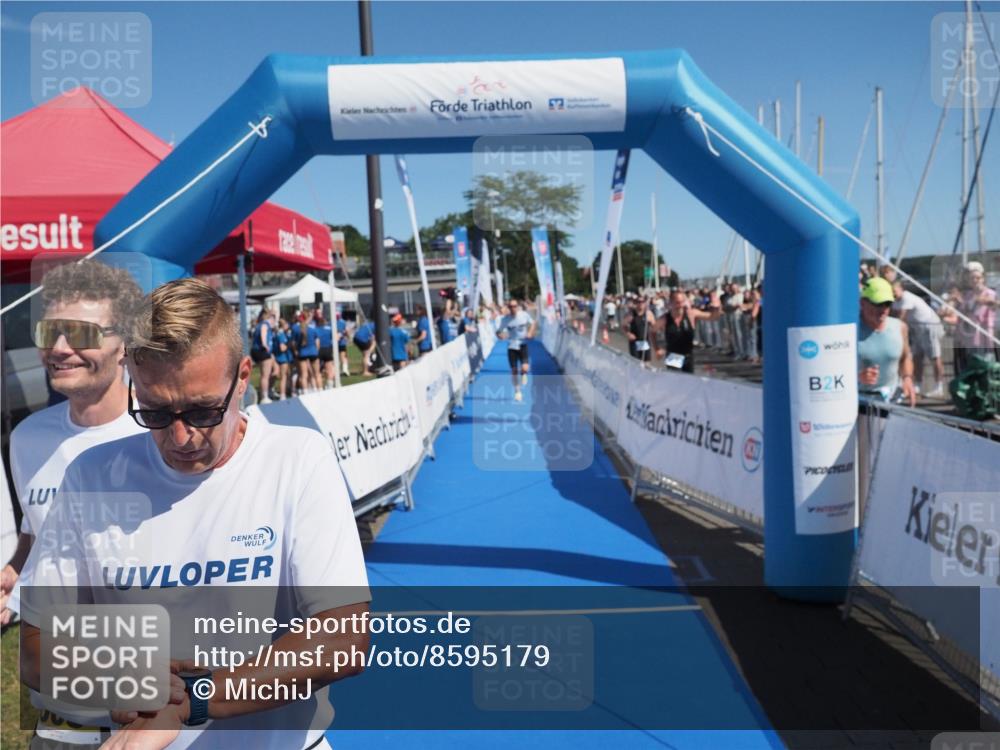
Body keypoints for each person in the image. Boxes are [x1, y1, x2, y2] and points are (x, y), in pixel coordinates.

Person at [17, 278, 370, 750]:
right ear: (133, 380)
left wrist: (192, 701)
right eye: (156, 412)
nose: (181, 437)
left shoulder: (297, 460)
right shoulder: (91, 475)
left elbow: (341, 639)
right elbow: (36, 651)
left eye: (203, 411)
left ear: (243, 377)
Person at [1, 260, 146, 743]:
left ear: (124, 341)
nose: (60, 349)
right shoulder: (27, 438)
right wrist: (15, 571)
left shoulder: (164, 433)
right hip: (62, 710)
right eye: (50, 331)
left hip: (154, 701)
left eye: (81, 333)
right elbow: (37, 531)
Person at [858, 277, 916, 407]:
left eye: (887, 304)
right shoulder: (850, 330)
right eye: (878, 303)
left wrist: (907, 378)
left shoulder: (900, 327)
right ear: (862, 303)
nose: (883, 309)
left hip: (892, 399)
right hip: (858, 403)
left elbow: (906, 357)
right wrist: (857, 377)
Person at [941, 260, 998, 375]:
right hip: (968, 339)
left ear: (983, 278)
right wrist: (951, 301)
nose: (975, 281)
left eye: (977, 278)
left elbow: (994, 306)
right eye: (971, 278)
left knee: (986, 368)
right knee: (969, 370)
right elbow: (952, 313)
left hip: (984, 338)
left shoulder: (990, 293)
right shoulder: (967, 295)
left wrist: (986, 301)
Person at [891, 281, 946, 398]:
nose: (893, 293)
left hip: (929, 326)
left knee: (935, 356)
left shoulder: (907, 298)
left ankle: (939, 387)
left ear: (901, 289)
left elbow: (901, 317)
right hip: (917, 329)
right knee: (917, 357)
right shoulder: (895, 300)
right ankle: (918, 385)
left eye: (894, 290)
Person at [662, 289, 723, 373]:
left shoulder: (691, 314)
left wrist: (717, 307)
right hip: (673, 355)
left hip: (688, 355)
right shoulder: (665, 318)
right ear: (671, 303)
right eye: (677, 302)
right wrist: (657, 348)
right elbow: (652, 330)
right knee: (675, 381)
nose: (679, 305)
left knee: (688, 382)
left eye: (681, 302)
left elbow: (713, 317)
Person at [496, 298, 536, 402]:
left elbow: (533, 323)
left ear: (517, 307)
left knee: (525, 368)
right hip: (512, 347)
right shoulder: (505, 319)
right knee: (514, 371)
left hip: (523, 344)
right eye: (511, 307)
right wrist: (500, 336)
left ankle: (523, 373)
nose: (513, 309)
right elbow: (498, 332)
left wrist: (530, 333)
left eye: (514, 306)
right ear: (508, 308)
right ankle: (517, 391)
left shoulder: (524, 315)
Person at [250, 309, 275, 403]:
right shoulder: (265, 324)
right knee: (265, 375)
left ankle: (264, 394)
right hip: (263, 351)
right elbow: (263, 333)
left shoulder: (259, 324)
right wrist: (265, 344)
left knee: (266, 373)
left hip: (257, 351)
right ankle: (264, 396)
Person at [291, 312, 319, 393]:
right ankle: (317, 389)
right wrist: (316, 350)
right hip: (313, 352)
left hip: (302, 353)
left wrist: (295, 351)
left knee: (303, 374)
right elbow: (317, 341)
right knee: (315, 373)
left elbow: (293, 343)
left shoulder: (295, 328)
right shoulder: (312, 328)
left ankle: (305, 391)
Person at [625, 297, 657, 363]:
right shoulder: (631, 314)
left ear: (645, 303)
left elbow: (654, 326)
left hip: (645, 342)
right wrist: (628, 333)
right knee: (636, 363)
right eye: (638, 302)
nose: (640, 304)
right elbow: (624, 325)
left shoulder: (648, 314)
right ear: (636, 303)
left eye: (642, 302)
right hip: (634, 342)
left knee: (647, 364)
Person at [315, 310, 335, 389]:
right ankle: (329, 386)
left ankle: (319, 387)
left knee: (318, 370)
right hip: (328, 349)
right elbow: (334, 338)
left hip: (319, 350)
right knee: (329, 368)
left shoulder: (315, 329)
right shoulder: (329, 329)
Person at [273, 317, 292, 399]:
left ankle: (285, 392)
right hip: (282, 358)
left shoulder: (279, 333)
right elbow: (282, 347)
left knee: (283, 376)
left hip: (281, 357)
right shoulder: (281, 334)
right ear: (284, 325)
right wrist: (289, 345)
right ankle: (282, 394)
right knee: (283, 377)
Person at [337, 312, 350, 377]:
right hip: (341, 342)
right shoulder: (343, 322)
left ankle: (338, 371)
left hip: (335, 343)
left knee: (336, 357)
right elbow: (347, 331)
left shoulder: (330, 323)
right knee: (343, 356)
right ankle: (344, 370)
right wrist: (348, 337)